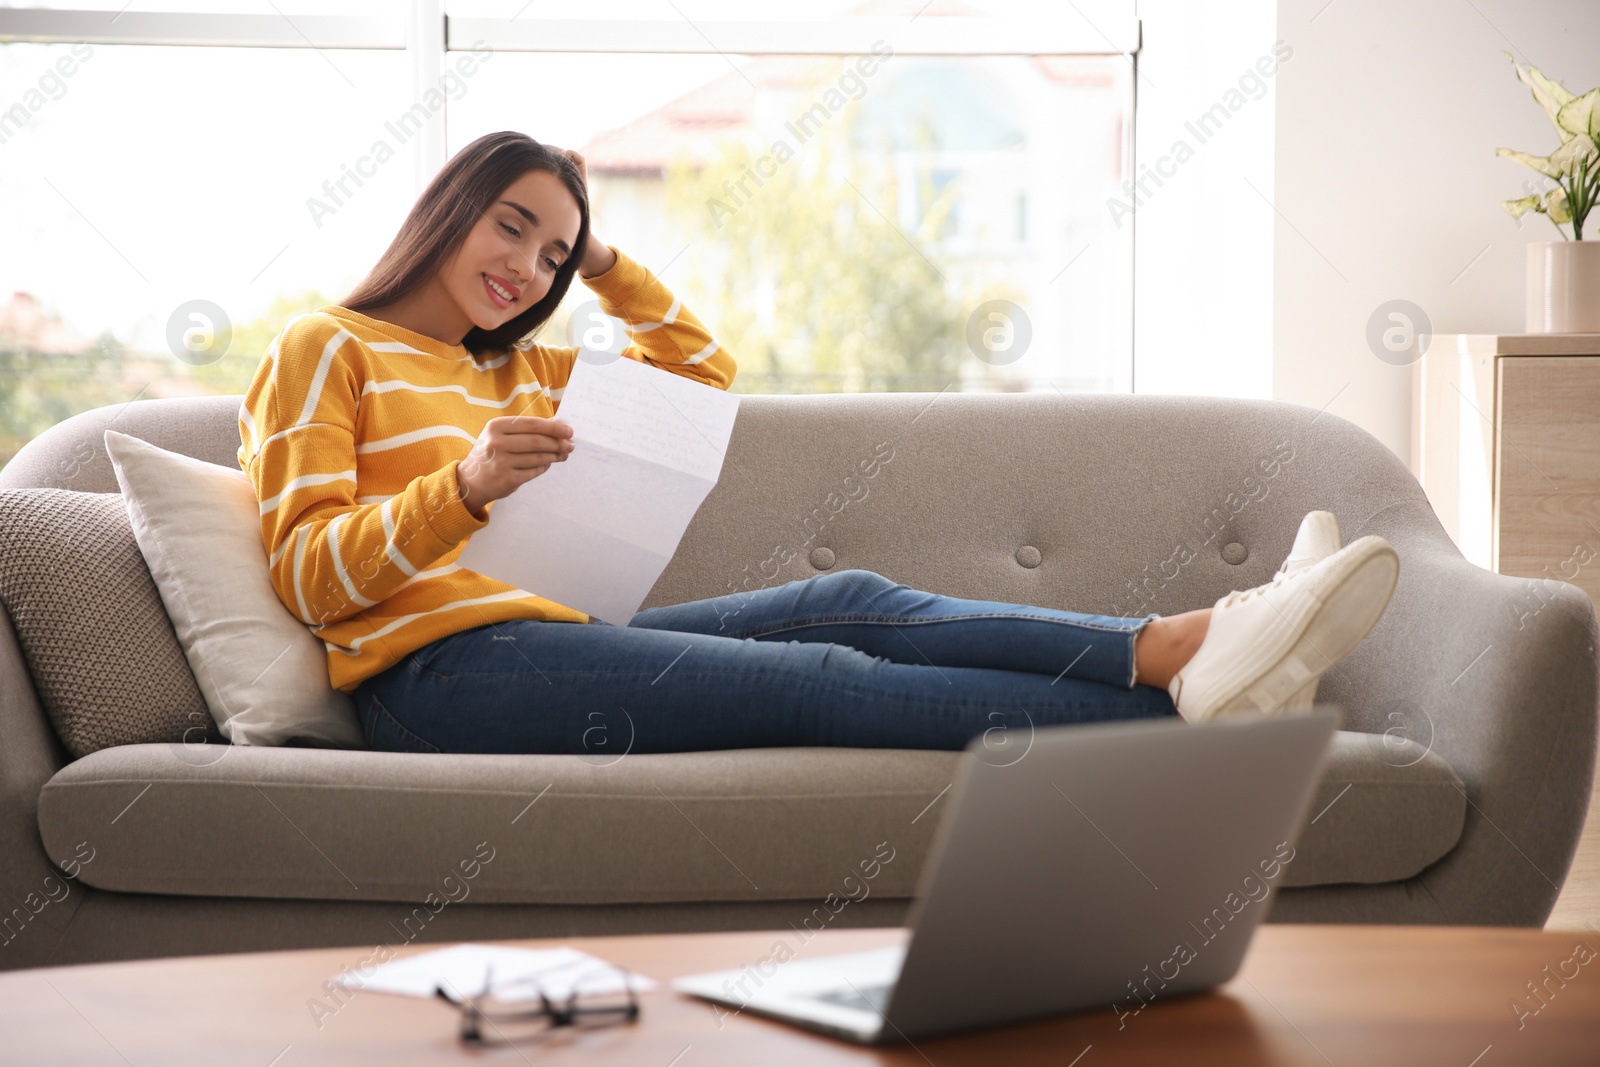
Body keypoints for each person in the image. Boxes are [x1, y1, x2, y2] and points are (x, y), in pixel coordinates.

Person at [237, 131, 1399, 758]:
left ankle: (1186, 647)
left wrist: (602, 260)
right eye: (512, 226)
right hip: (432, 683)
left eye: (550, 254)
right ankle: (1202, 709)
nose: (526, 266)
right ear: (448, 208)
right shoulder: (322, 348)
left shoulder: (514, 366)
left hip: (544, 637)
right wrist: (467, 485)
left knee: (847, 598)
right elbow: (305, 576)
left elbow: (700, 374)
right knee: (824, 679)